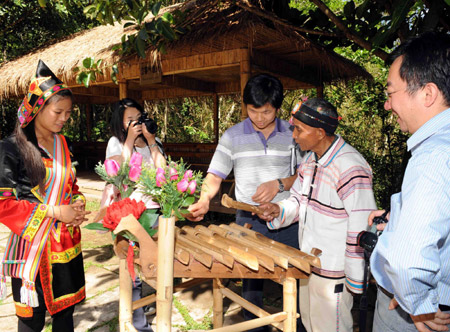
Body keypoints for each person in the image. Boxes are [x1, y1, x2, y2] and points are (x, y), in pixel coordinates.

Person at [188, 73, 303, 332]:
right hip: (248, 221)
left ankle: (298, 324)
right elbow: (215, 173)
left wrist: (280, 184)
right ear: (245, 106)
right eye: (253, 111)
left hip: (287, 218)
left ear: (278, 107)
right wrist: (205, 198)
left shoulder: (293, 135)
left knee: (294, 277)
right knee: (250, 282)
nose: (260, 118)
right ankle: (254, 326)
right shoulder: (232, 136)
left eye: (267, 112)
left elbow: (307, 176)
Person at [258, 97, 377, 332]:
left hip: (333, 272)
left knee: (330, 328)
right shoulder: (310, 160)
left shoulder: (351, 167)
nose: (294, 135)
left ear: (320, 133)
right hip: (308, 262)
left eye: (299, 130)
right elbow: (299, 201)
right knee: (310, 323)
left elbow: (362, 224)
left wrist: (355, 280)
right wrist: (278, 211)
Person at [368, 32, 450, 332]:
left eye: (391, 93)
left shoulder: (433, 156)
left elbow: (407, 262)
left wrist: (417, 303)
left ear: (427, 94)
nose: (388, 105)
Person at [0, 60, 90, 332]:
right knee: (32, 319)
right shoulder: (11, 148)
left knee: (66, 315)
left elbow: (71, 187)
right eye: (58, 111)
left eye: (68, 113)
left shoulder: (64, 143)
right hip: (32, 249)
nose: (64, 118)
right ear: (38, 108)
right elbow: (3, 204)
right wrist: (54, 212)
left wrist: (78, 203)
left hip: (65, 245)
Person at [102, 98, 166, 332]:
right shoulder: (115, 143)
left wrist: (150, 142)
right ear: (120, 124)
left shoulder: (153, 141)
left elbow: (165, 172)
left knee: (157, 265)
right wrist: (129, 140)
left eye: (138, 119)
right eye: (129, 120)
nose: (135, 124)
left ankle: (157, 308)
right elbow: (119, 175)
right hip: (128, 214)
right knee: (132, 270)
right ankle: (137, 322)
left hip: (154, 211)